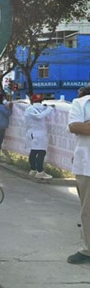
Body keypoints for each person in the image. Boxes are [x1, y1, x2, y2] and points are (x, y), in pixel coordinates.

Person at [67, 85, 90, 264]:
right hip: (87, 165)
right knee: (88, 210)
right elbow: (75, 126)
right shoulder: (81, 103)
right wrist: (83, 126)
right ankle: (87, 250)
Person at [23, 94, 54, 180]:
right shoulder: (31, 109)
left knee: (34, 152)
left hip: (35, 133)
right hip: (37, 134)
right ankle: (40, 172)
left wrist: (47, 107)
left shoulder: (32, 108)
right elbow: (39, 117)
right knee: (41, 152)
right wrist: (50, 109)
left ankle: (33, 170)